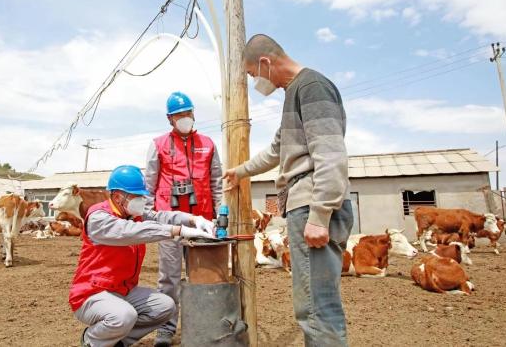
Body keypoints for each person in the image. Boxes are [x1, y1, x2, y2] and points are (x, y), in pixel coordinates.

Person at [222, 34, 354, 346]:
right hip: (304, 204)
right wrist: (240, 171)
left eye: (254, 74)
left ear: (266, 62)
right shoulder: (295, 93)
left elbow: (331, 154)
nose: (256, 82)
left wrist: (320, 215)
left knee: (317, 309)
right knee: (313, 307)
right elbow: (276, 151)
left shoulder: (311, 88)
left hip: (311, 204)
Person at [69, 165, 215, 347]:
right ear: (117, 197)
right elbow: (129, 232)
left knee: (165, 306)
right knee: (123, 316)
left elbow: (162, 217)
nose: (141, 200)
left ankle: (119, 342)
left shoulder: (133, 214)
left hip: (123, 290)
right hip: (92, 293)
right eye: (136, 196)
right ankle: (92, 341)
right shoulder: (99, 217)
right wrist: (179, 231)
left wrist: (193, 220)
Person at [144, 91, 223, 347]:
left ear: (193, 114)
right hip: (170, 223)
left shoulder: (208, 144)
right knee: (169, 278)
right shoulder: (158, 145)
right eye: (179, 115)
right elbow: (149, 185)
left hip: (202, 222)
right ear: (170, 119)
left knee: (204, 274)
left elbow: (216, 183)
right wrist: (149, 216)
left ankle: (204, 324)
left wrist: (220, 215)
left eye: (187, 113)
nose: (184, 118)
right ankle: (166, 329)